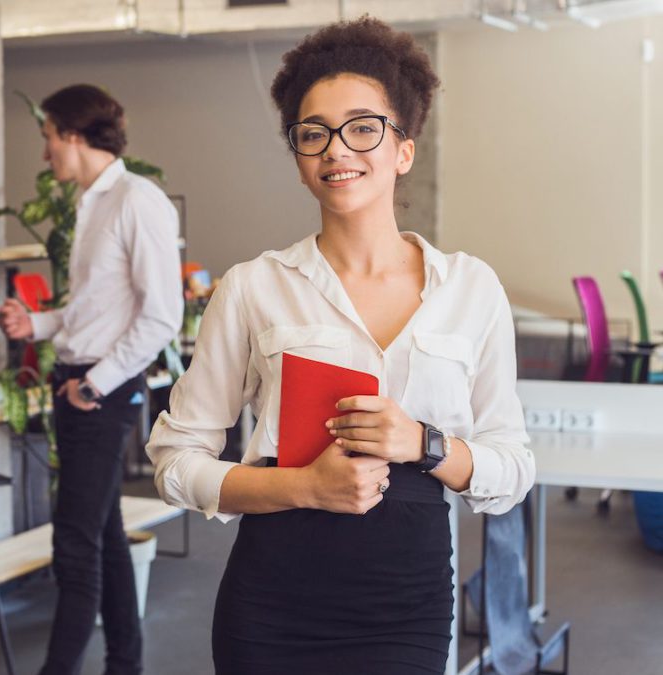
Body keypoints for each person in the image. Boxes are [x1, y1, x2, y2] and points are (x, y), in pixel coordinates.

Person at [146, 18, 536, 675]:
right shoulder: (253, 287)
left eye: (362, 127)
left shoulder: (470, 288)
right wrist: (303, 485)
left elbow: (512, 467)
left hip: (405, 604)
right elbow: (174, 460)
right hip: (272, 603)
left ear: (403, 148)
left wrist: (424, 442)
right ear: (299, 158)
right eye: (313, 133)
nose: (336, 149)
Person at [0, 84, 182, 675]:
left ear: (73, 135)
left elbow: (161, 316)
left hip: (99, 391)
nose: (45, 150)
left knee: (73, 547)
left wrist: (95, 385)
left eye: (48, 135)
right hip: (79, 381)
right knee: (100, 538)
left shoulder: (137, 200)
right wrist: (41, 322)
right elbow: (98, 308)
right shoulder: (91, 202)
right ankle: (124, 664)